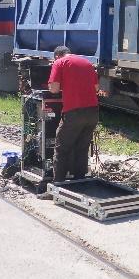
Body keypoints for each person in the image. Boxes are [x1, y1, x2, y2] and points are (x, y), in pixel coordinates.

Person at [48, 46, 99, 182]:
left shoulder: (59, 63)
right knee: (82, 149)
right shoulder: (87, 63)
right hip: (93, 112)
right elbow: (96, 88)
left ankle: (57, 184)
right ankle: (79, 182)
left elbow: (54, 89)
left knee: (61, 148)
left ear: (57, 56)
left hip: (74, 112)